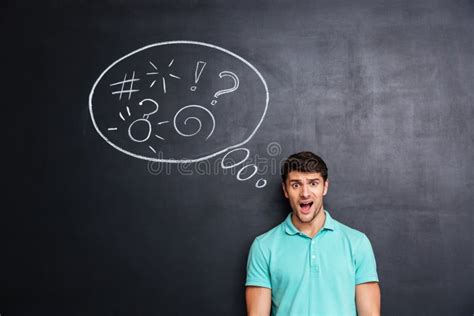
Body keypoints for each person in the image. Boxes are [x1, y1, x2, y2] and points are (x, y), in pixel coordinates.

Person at [245, 151, 380, 316]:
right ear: (285, 190)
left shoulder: (357, 243)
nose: (305, 193)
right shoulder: (263, 247)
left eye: (313, 183)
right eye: (296, 185)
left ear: (325, 187)